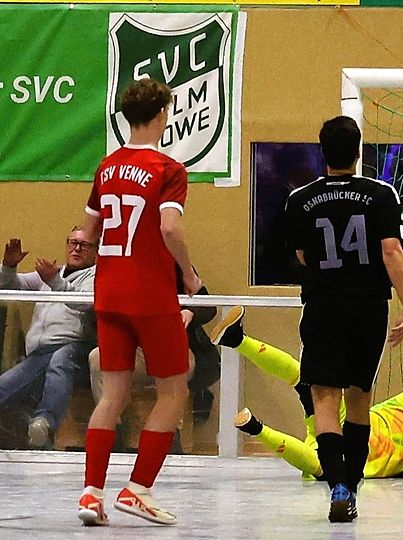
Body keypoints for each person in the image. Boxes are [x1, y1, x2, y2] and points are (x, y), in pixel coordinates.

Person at [77, 77, 202, 527]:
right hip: (150, 294)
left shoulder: (106, 166)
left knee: (113, 394)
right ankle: (138, 489)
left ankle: (91, 494)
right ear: (163, 115)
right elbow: (169, 227)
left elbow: (87, 233)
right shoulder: (169, 168)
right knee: (174, 390)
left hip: (108, 292)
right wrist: (188, 273)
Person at [283, 115, 403, 522]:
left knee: (324, 399)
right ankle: (352, 488)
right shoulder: (381, 193)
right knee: (359, 398)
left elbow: (302, 255)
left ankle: (337, 486)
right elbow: (391, 250)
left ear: (322, 151)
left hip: (323, 306)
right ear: (358, 151)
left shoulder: (299, 199)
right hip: (368, 307)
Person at [209, 306, 403, 479]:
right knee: (303, 377)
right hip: (343, 423)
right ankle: (237, 339)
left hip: (351, 463)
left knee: (320, 466)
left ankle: (256, 428)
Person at [87, 266, 220, 450]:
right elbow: (95, 313)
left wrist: (190, 311)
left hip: (175, 347)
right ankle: (113, 431)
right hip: (135, 349)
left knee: (174, 363)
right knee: (97, 357)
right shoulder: (119, 267)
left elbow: (209, 306)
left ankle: (171, 435)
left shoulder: (178, 266)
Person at [0, 229, 97, 448]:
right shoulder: (51, 274)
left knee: (60, 360)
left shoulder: (96, 276)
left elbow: (87, 303)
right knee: (4, 387)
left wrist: (55, 281)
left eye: (84, 245)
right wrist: (9, 266)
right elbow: (9, 285)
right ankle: (36, 433)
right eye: (73, 242)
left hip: (75, 349)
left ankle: (44, 422)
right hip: (39, 354)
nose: (77, 248)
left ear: (96, 252)